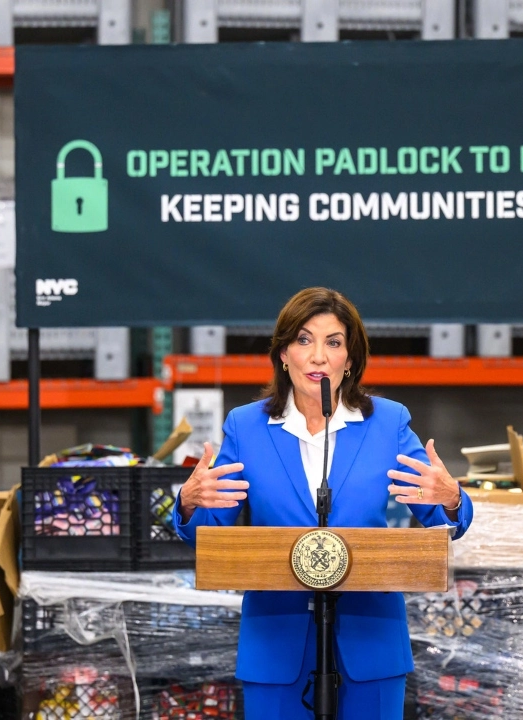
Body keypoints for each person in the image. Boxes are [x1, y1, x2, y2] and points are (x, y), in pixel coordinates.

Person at [175, 287, 474, 720]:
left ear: (350, 359)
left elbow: (447, 519)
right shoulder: (246, 426)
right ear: (283, 354)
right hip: (276, 643)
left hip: (370, 641)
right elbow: (207, 529)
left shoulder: (388, 423)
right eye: (303, 340)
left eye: (333, 342)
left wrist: (451, 500)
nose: (318, 356)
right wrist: (187, 503)